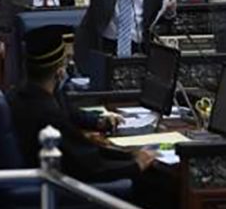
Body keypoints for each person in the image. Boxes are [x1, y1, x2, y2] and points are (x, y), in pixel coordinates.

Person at [9, 25, 155, 183]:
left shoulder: (18, 96)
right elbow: (92, 167)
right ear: (60, 71)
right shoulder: (49, 113)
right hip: (60, 188)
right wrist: (136, 165)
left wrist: (127, 154)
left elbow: (83, 148)